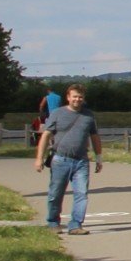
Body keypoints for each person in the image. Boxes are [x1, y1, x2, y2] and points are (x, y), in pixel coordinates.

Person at [35, 85, 103, 235]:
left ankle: (75, 225)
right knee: (55, 194)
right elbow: (46, 136)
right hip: (60, 159)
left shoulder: (89, 116)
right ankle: (53, 222)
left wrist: (99, 158)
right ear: (68, 97)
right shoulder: (57, 114)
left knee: (81, 193)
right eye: (75, 96)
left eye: (80, 97)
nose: (77, 99)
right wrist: (39, 158)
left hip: (81, 161)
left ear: (84, 98)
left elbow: (95, 137)